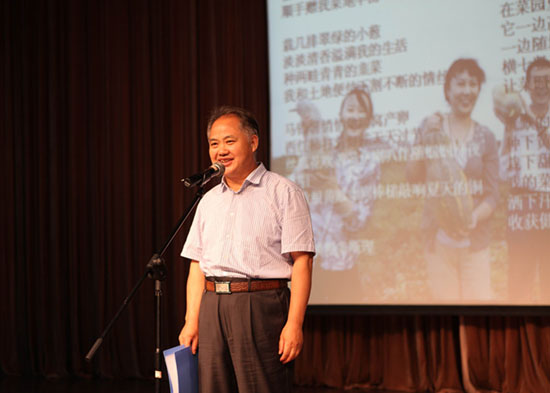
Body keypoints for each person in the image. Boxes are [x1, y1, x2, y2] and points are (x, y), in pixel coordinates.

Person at [178, 106, 315, 393]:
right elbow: (196, 265)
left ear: (253, 143)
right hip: (212, 305)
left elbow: (302, 261)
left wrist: (294, 324)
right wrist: (192, 320)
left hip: (261, 303)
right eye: (214, 144)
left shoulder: (284, 192)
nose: (220, 151)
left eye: (229, 141)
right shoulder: (208, 199)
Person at [407, 58, 500, 301]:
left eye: (473, 84)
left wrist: (472, 218)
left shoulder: (486, 137)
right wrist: (424, 137)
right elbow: (412, 176)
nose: (467, 90)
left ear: (479, 89)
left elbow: (493, 194)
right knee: (445, 316)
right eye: (460, 84)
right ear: (448, 90)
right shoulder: (431, 129)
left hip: (475, 242)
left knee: (479, 313)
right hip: (438, 243)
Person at [495, 57, 550, 303]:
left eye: (547, 80)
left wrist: (531, 117)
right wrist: (508, 127)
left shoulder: (529, 117)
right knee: (519, 287)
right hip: (521, 214)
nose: (541, 86)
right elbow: (504, 172)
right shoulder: (514, 121)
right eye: (536, 81)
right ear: (526, 85)